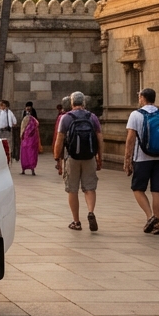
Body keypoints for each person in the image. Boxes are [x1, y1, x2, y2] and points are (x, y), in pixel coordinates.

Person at [124, 87, 159, 235]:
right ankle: (156, 223)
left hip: (142, 158)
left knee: (138, 189)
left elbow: (130, 139)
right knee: (157, 190)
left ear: (142, 98)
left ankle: (150, 216)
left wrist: (127, 160)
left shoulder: (135, 115)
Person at [54, 91, 103, 232]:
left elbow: (60, 140)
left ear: (71, 103)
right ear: (84, 103)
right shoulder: (92, 117)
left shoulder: (66, 118)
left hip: (72, 157)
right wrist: (100, 157)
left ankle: (76, 221)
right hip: (89, 157)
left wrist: (58, 158)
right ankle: (91, 212)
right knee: (89, 188)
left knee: (72, 189)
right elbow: (99, 138)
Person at [19, 106, 41, 175]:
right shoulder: (34, 121)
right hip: (33, 141)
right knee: (32, 154)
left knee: (24, 154)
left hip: (25, 140)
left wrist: (21, 136)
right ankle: (32, 169)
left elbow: (22, 129)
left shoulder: (25, 119)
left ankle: (23, 169)